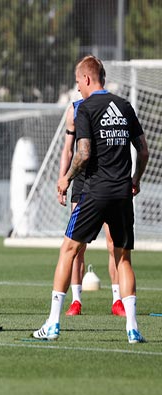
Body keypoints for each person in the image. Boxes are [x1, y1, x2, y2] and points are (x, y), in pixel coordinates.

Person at [33, 55, 149, 343]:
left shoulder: (85, 108)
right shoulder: (124, 106)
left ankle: (52, 324)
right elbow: (144, 150)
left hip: (95, 192)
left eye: (77, 83)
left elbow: (82, 153)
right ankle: (133, 328)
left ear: (87, 78)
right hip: (122, 193)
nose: (77, 89)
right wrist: (135, 179)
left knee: (69, 250)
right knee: (123, 258)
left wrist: (66, 178)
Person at [58, 104, 125, 317]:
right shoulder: (75, 110)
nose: (78, 85)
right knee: (77, 245)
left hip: (107, 181)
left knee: (114, 242)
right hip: (81, 182)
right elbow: (68, 148)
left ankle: (118, 301)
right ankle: (76, 301)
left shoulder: (114, 107)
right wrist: (62, 179)